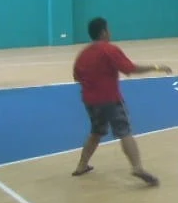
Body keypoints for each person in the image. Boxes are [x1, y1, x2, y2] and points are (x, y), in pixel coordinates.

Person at [71, 16, 170, 186]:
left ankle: (81, 165)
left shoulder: (83, 54)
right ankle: (137, 167)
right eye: (108, 29)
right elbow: (129, 69)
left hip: (90, 101)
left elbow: (76, 77)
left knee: (96, 132)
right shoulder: (110, 50)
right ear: (103, 32)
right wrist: (156, 67)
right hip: (110, 99)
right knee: (124, 132)